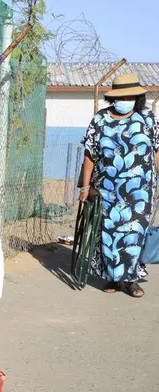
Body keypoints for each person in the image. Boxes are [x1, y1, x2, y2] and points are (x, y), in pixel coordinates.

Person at [80, 73, 159, 298]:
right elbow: (89, 155)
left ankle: (131, 279)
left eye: (131, 96)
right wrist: (85, 188)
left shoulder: (149, 119)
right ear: (113, 98)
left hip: (141, 190)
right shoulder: (100, 120)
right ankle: (113, 277)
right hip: (107, 190)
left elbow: (157, 151)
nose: (127, 100)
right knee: (108, 232)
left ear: (137, 97)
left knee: (134, 233)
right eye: (122, 96)